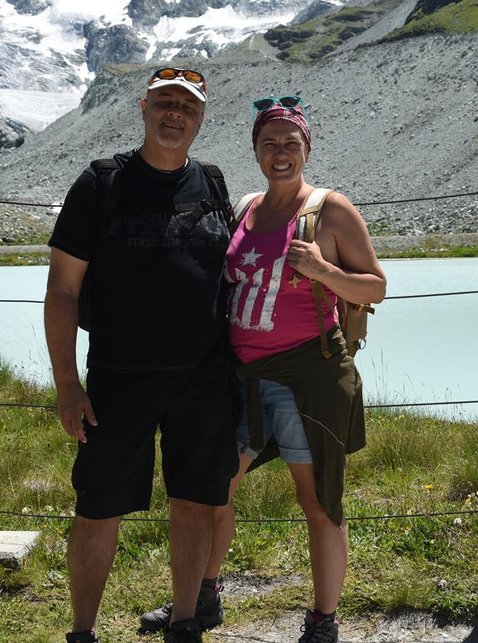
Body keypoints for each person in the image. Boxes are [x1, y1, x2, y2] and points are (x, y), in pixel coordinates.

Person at [141, 95, 386, 643]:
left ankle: (324, 619)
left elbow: (375, 287)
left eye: (290, 143)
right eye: (269, 143)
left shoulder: (331, 209)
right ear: (255, 150)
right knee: (213, 489)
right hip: (241, 377)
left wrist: (323, 269)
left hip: (310, 375)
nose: (280, 153)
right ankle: (204, 596)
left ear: (307, 148)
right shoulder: (247, 207)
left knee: (317, 500)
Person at [44, 67, 239, 643]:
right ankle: (83, 630)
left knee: (196, 501)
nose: (174, 113)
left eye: (187, 106)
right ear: (143, 107)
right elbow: (62, 291)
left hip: (203, 378)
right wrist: (67, 385)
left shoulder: (213, 182)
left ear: (200, 119)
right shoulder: (101, 183)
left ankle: (184, 623)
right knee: (99, 506)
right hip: (117, 379)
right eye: (164, 102)